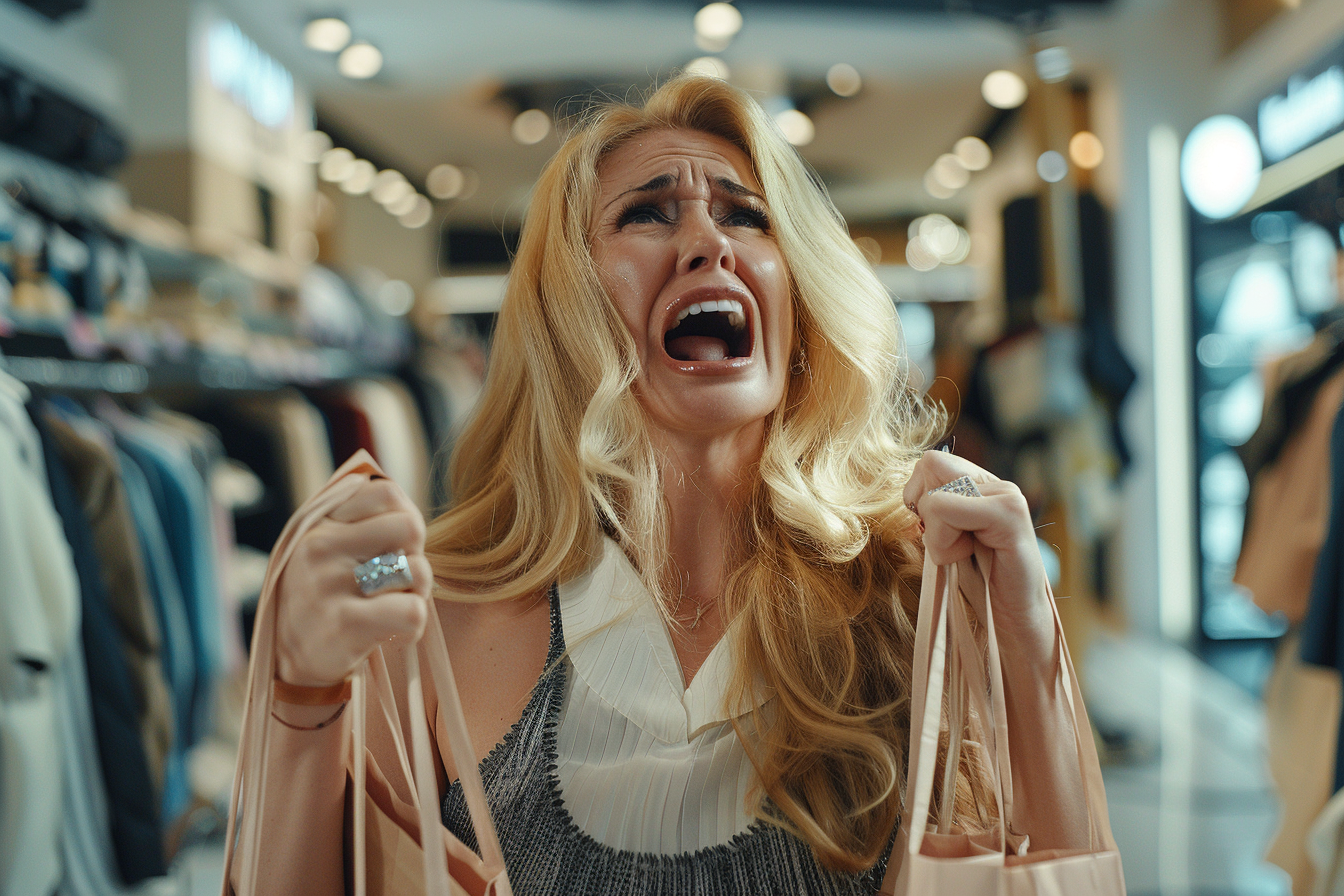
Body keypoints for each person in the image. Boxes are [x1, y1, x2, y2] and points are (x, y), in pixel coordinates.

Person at [239, 74, 1094, 895]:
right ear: (567, 302)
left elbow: (1053, 870)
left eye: (746, 217)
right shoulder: (438, 600)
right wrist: (302, 686)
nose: (708, 243)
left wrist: (1026, 634)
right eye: (647, 212)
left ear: (794, 291)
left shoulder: (910, 591)